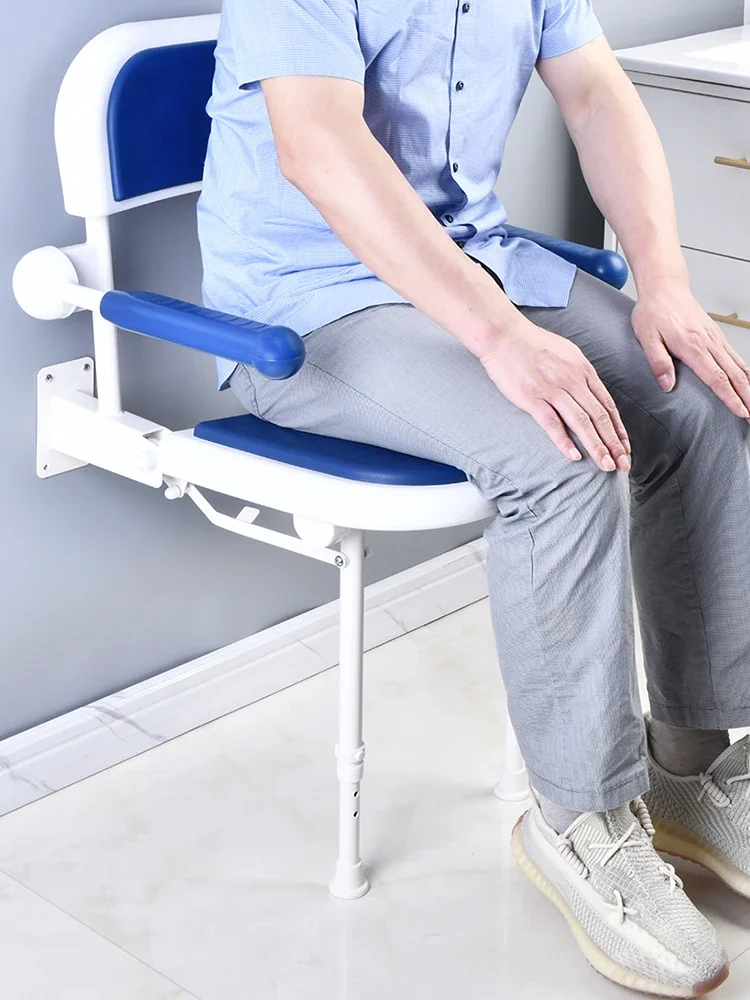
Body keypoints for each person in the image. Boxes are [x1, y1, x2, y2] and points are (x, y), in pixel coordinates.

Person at [198, 1, 750, 994]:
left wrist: (665, 279)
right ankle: (582, 817)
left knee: (703, 395)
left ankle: (689, 768)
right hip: (315, 302)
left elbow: (593, 92)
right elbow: (316, 145)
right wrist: (498, 335)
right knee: (561, 448)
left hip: (480, 262)